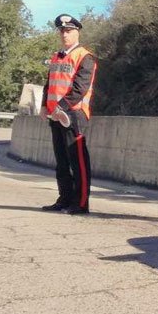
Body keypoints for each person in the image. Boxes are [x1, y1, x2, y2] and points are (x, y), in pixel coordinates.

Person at [39, 14, 97, 215]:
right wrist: (45, 106)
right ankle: (64, 199)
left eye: (69, 31)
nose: (65, 34)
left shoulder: (85, 57)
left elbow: (79, 88)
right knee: (61, 161)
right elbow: (50, 83)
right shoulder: (56, 56)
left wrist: (60, 107)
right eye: (62, 31)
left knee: (78, 161)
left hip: (74, 115)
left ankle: (80, 204)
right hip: (56, 114)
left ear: (77, 32)